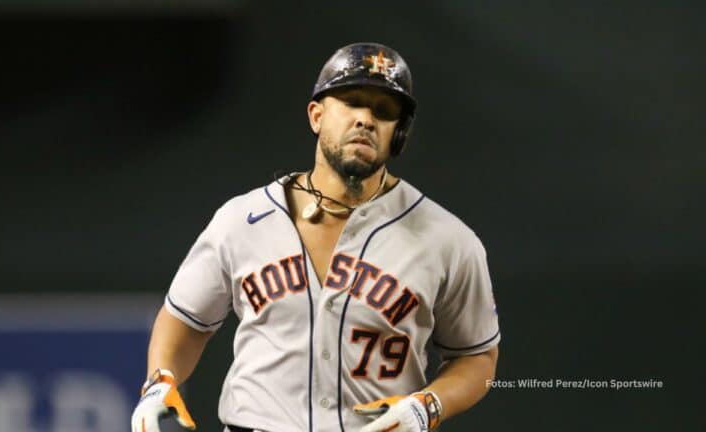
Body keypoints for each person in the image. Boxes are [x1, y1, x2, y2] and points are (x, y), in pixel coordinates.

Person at [131, 42, 500, 432]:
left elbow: (478, 358)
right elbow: (185, 321)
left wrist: (428, 405)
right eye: (351, 101)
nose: (366, 119)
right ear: (316, 115)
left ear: (399, 133)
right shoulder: (241, 220)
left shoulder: (448, 240)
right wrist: (160, 382)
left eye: (384, 110)